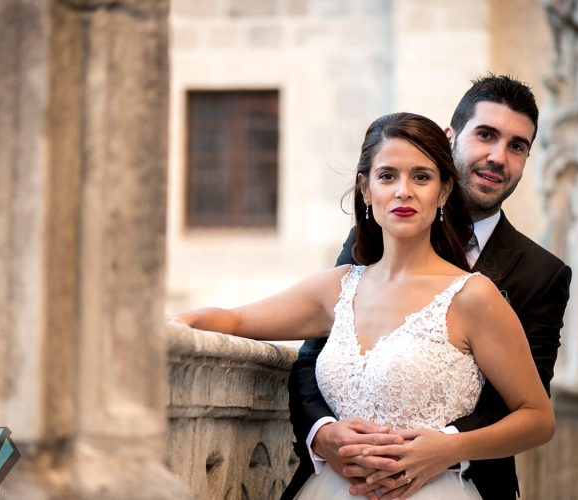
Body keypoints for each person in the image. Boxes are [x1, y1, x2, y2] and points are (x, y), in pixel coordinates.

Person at [174, 111, 556, 499]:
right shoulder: (338, 287)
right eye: (388, 176)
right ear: (365, 188)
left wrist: (450, 448)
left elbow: (537, 418)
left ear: (442, 192)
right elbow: (236, 320)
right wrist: (175, 322)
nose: (403, 191)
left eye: (420, 177)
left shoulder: (473, 296)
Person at [283, 75, 572, 500]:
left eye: (517, 146)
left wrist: (442, 449)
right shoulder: (382, 233)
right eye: (486, 135)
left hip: (464, 484)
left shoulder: (543, 274)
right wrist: (322, 433)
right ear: (449, 136)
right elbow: (315, 356)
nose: (498, 157)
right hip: (344, 482)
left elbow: (522, 402)